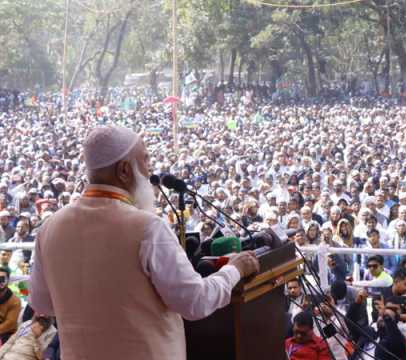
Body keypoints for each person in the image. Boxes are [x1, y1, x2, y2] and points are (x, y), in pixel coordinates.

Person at [29, 126, 260, 360]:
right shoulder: (147, 228)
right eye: (145, 160)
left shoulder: (50, 228)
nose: (150, 172)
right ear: (124, 170)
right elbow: (195, 302)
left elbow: (42, 304)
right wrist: (235, 270)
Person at [0, 267, 20, 343]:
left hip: (6, 333)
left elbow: (9, 324)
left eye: (2, 279)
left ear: (8, 281)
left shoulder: (15, 301)